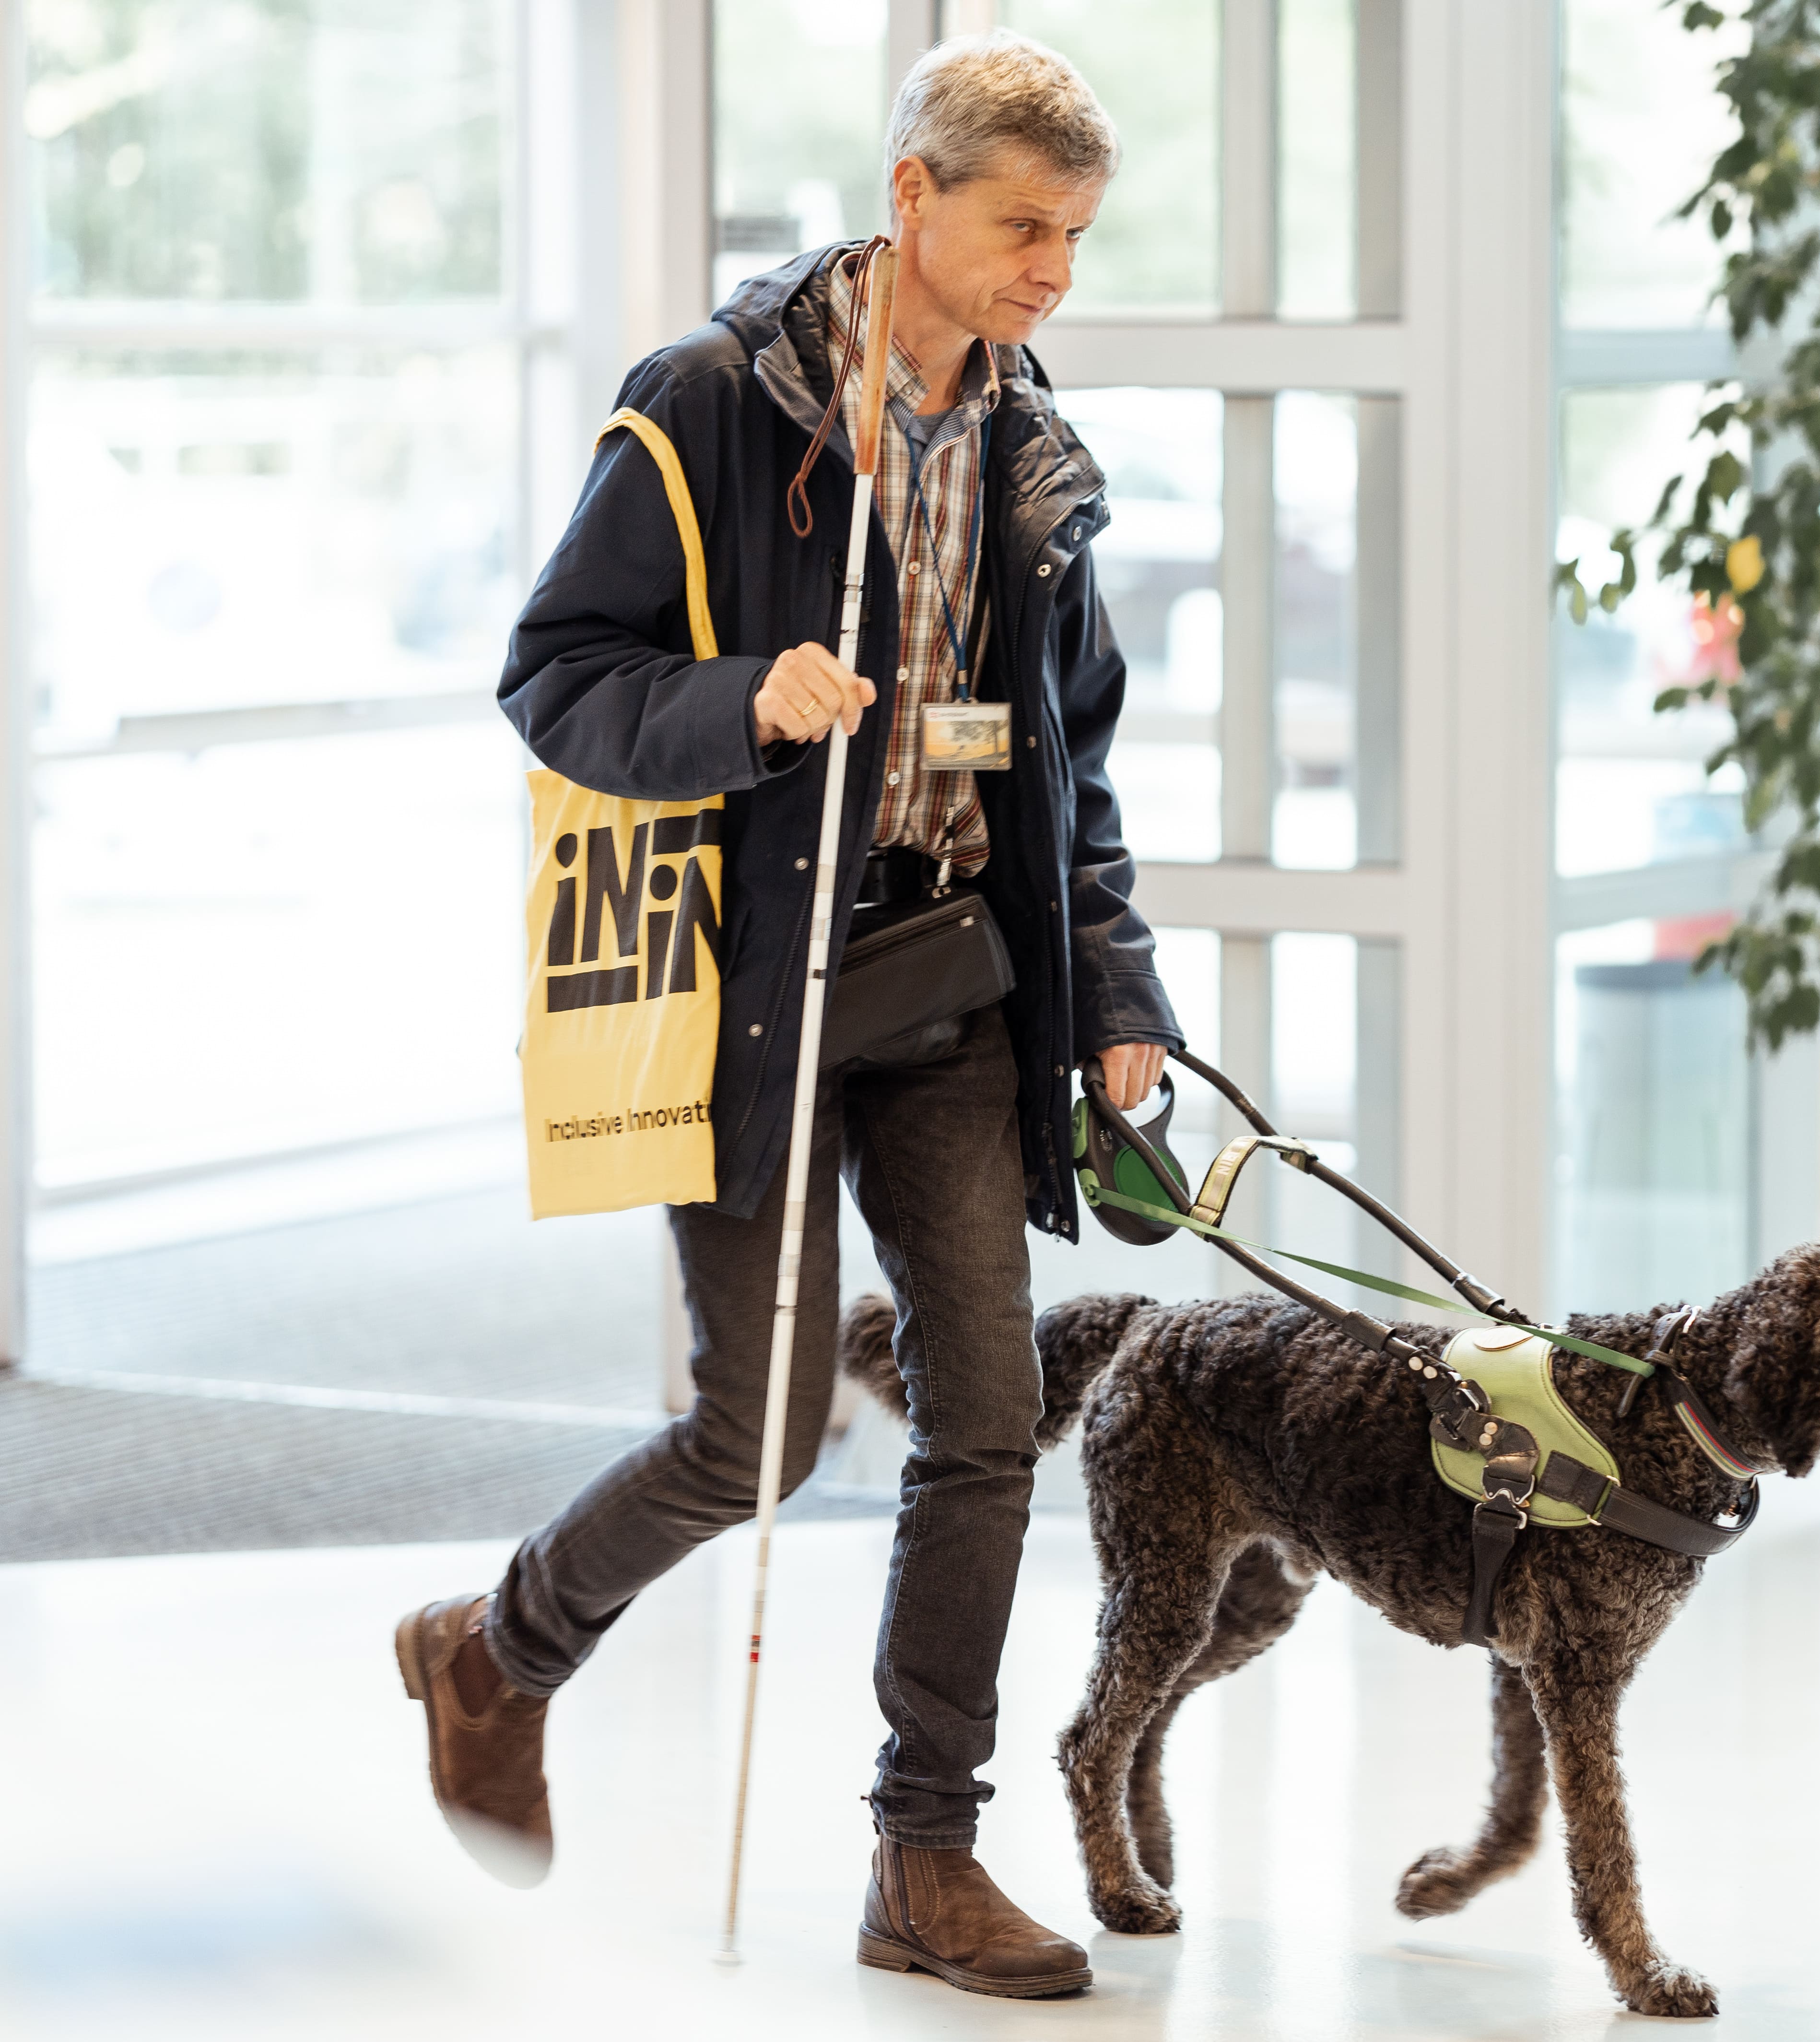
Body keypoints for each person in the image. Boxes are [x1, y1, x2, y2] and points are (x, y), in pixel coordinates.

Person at [393, 33, 1175, 2002]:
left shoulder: (1025, 438)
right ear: (910, 200)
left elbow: (1065, 760)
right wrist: (741, 700)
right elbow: (554, 678)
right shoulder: (706, 406)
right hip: (757, 995)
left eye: (1074, 239)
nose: (1048, 276)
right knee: (751, 1439)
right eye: (1020, 230)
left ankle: (926, 1858)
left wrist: (1115, 996)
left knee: (986, 1424)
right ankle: (499, 1652)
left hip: (953, 993)